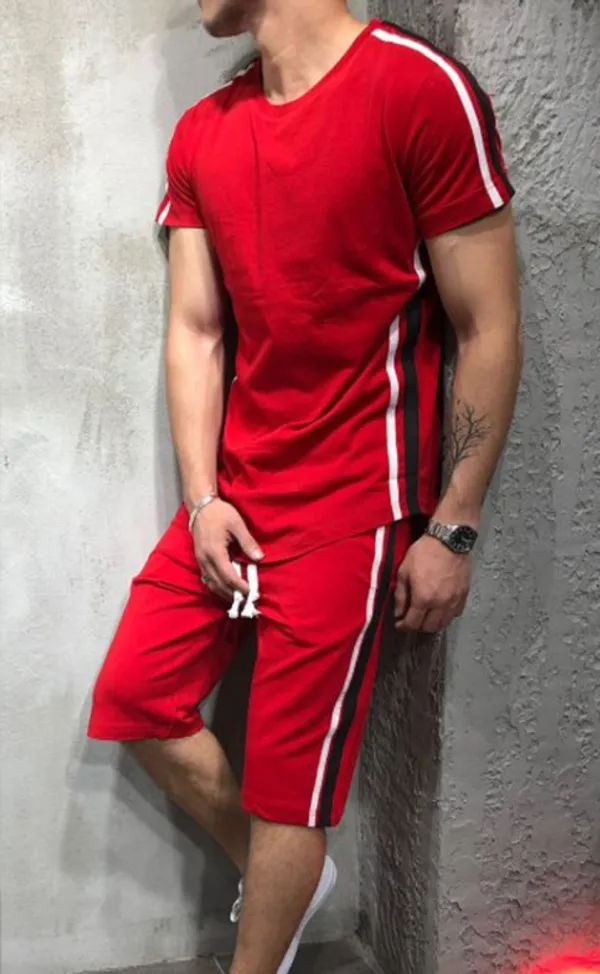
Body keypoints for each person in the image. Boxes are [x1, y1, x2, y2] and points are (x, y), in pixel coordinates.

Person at [88, 0, 522, 972]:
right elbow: (198, 330)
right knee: (136, 694)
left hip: (356, 501)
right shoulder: (204, 133)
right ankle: (286, 877)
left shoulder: (417, 91)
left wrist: (453, 526)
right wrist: (203, 497)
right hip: (238, 494)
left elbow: (488, 323)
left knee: (292, 789)